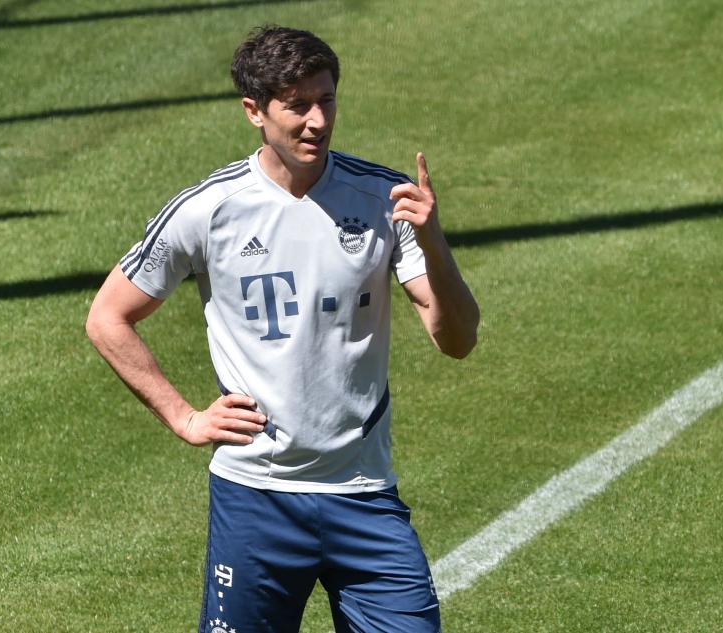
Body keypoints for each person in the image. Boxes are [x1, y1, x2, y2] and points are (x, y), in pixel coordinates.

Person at [85, 25, 479, 633]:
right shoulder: (208, 209)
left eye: (326, 101)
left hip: (364, 494)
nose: (317, 121)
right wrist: (184, 418)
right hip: (256, 500)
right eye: (297, 106)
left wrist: (433, 240)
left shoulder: (381, 198)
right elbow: (108, 317)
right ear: (254, 111)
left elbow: (457, 339)